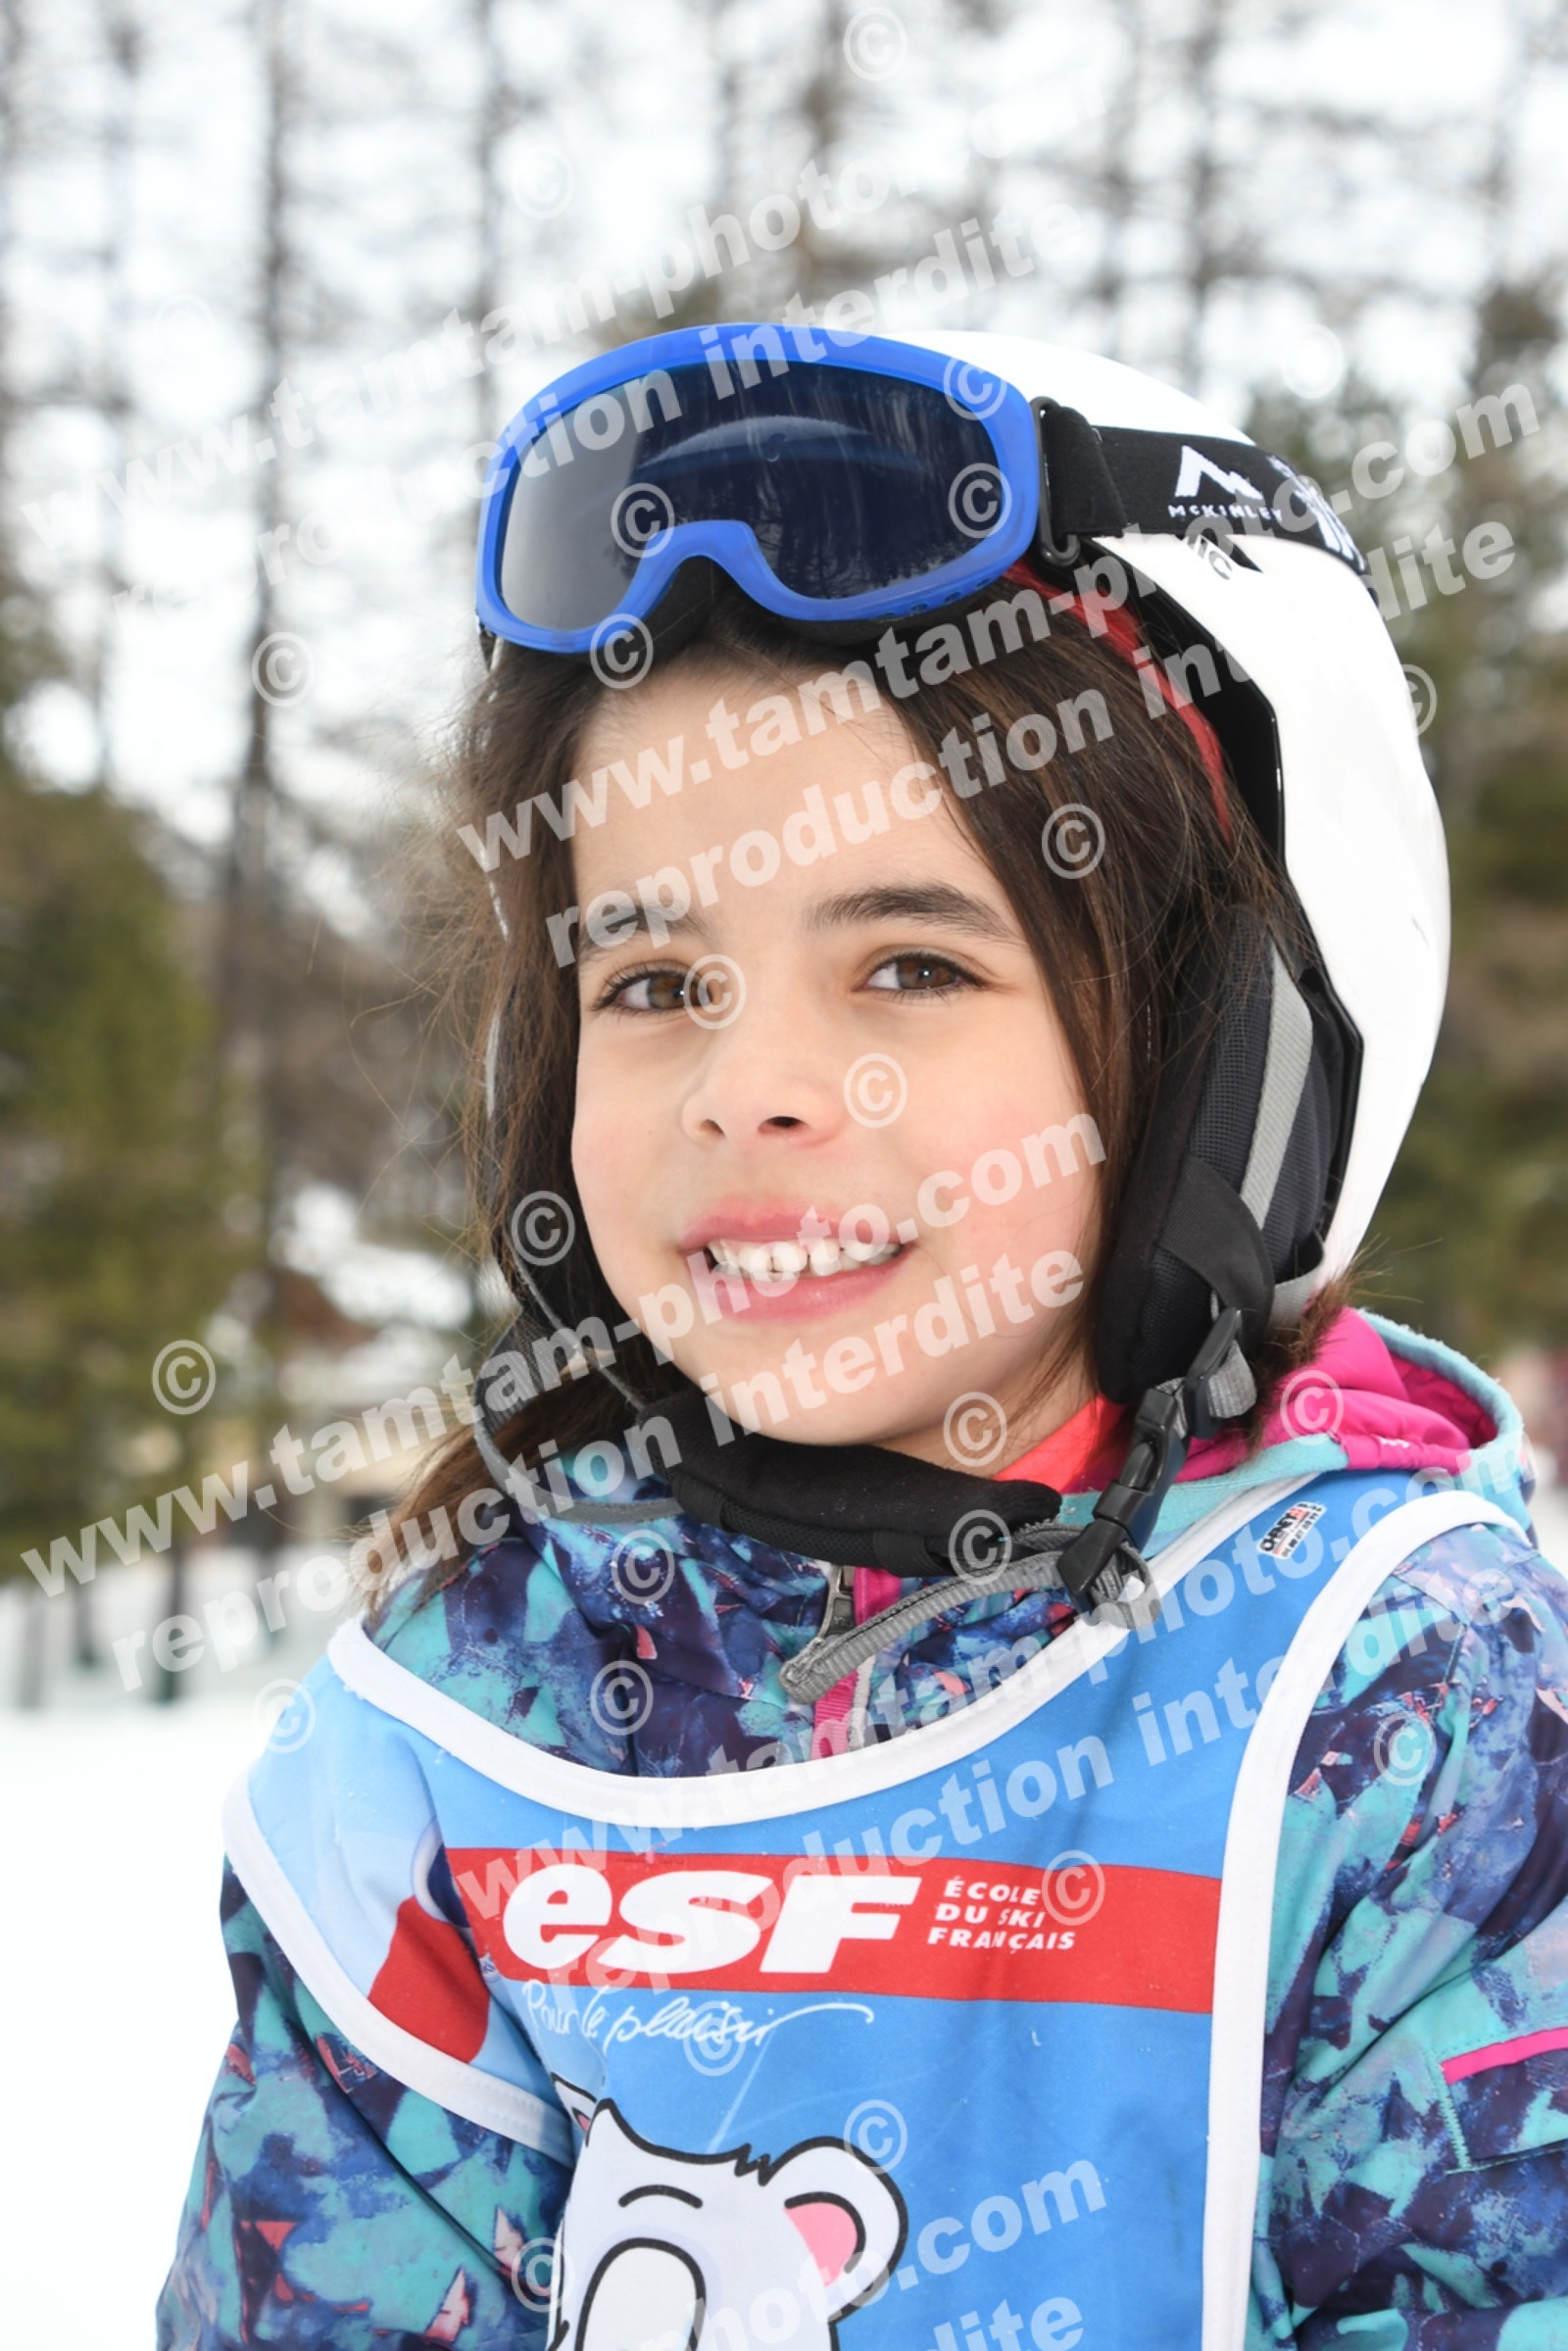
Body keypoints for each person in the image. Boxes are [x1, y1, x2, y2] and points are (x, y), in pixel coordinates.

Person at [159, 325, 1568, 2351]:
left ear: (1227, 1060)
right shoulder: (458, 1725)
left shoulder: (1406, 1715)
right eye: (653, 982)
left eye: (909, 964)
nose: (749, 1091)